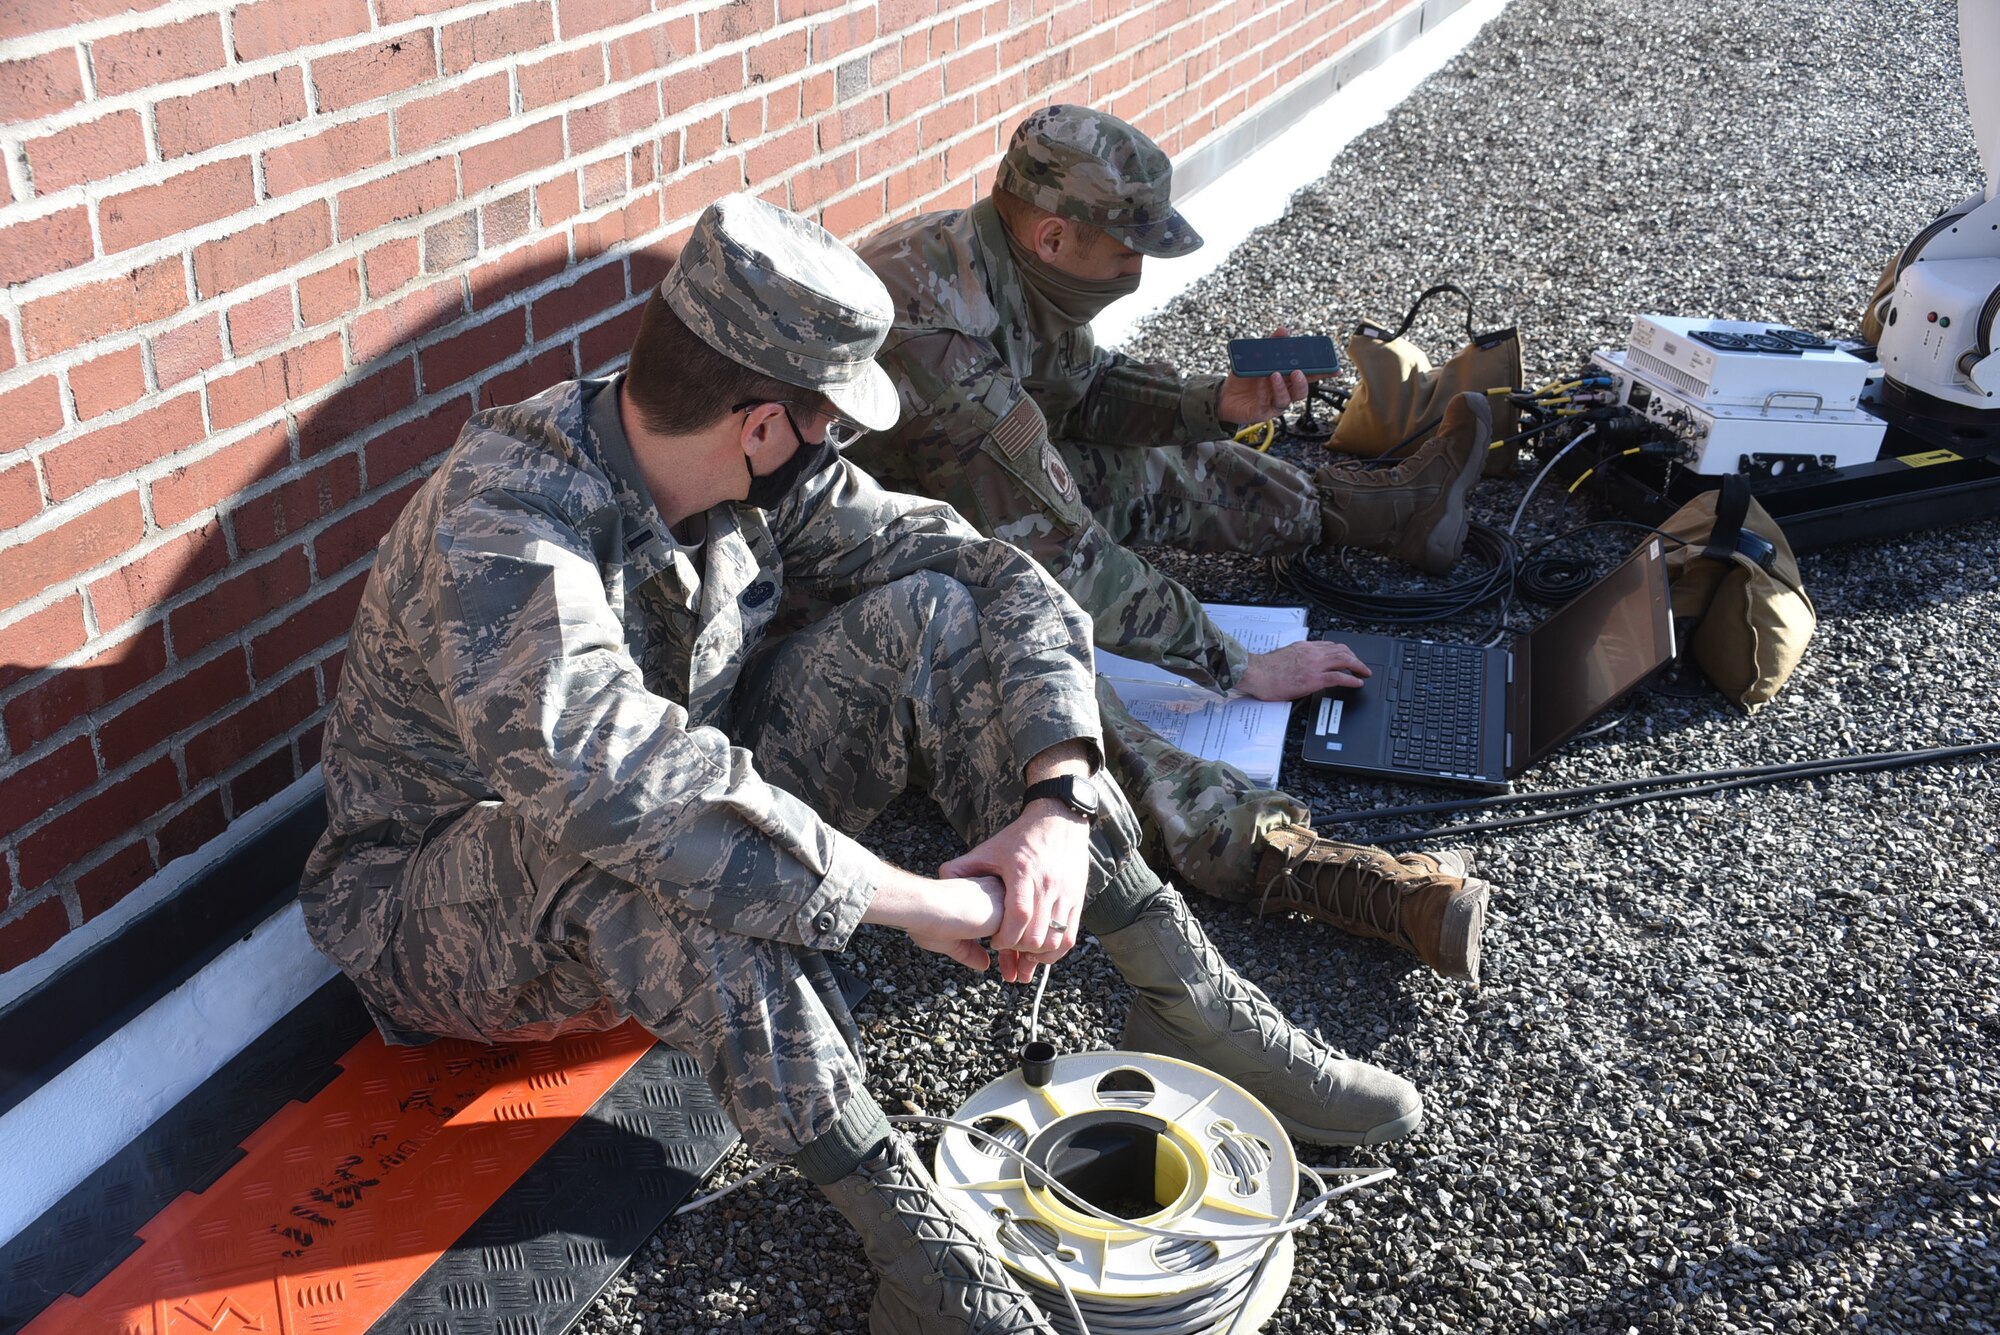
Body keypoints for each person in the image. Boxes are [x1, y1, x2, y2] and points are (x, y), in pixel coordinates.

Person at [299, 194, 1421, 1335]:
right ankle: (913, 1252)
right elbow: (621, 786)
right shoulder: (506, 522)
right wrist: (916, 904)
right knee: (654, 848)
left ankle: (1181, 993)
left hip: (651, 813)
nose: (839, 444)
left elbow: (995, 575)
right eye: (829, 420)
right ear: (759, 425)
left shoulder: (744, 462)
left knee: (929, 616)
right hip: (432, 907)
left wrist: (1055, 802)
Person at [851, 105, 1496, 983]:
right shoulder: (938, 334)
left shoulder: (1013, 262)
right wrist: (1238, 666)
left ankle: (1383, 512)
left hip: (963, 499)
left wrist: (1210, 406)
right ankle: (1293, 862)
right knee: (1061, 714)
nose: (1137, 271)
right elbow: (1063, 558)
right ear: (1053, 233)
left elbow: (1085, 391)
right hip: (874, 584)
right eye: (1126, 251)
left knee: (1170, 464)